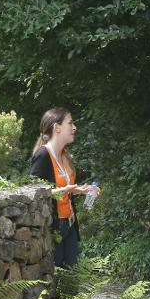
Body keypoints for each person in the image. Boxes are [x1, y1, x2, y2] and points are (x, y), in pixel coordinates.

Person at [30, 107, 100, 268]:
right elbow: (35, 194)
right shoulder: (42, 155)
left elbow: (65, 187)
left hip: (70, 223)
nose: (74, 127)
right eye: (70, 123)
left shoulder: (65, 155)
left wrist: (81, 190)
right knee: (58, 280)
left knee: (72, 279)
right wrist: (65, 190)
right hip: (55, 227)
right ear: (57, 128)